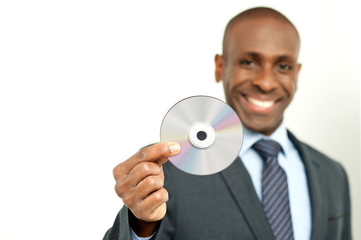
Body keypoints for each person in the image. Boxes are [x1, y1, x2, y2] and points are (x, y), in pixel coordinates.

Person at [103, 7, 352, 240]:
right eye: (249, 62)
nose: (265, 82)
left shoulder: (332, 174)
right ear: (220, 67)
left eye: (283, 66)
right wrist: (141, 225)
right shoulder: (166, 167)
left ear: (296, 74)